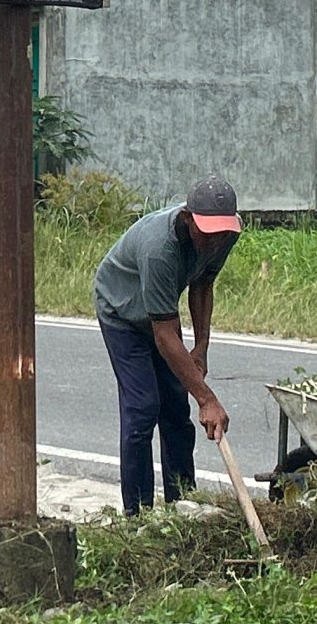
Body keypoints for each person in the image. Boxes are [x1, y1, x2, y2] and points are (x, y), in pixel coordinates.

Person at [92, 177, 243, 514]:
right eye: (207, 230)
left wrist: (201, 347)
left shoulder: (225, 234)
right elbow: (164, 336)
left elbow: (203, 283)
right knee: (144, 407)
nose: (215, 238)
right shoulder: (160, 248)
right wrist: (207, 398)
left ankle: (183, 503)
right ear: (188, 217)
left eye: (222, 230)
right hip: (122, 311)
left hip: (160, 312)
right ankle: (138, 515)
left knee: (176, 408)